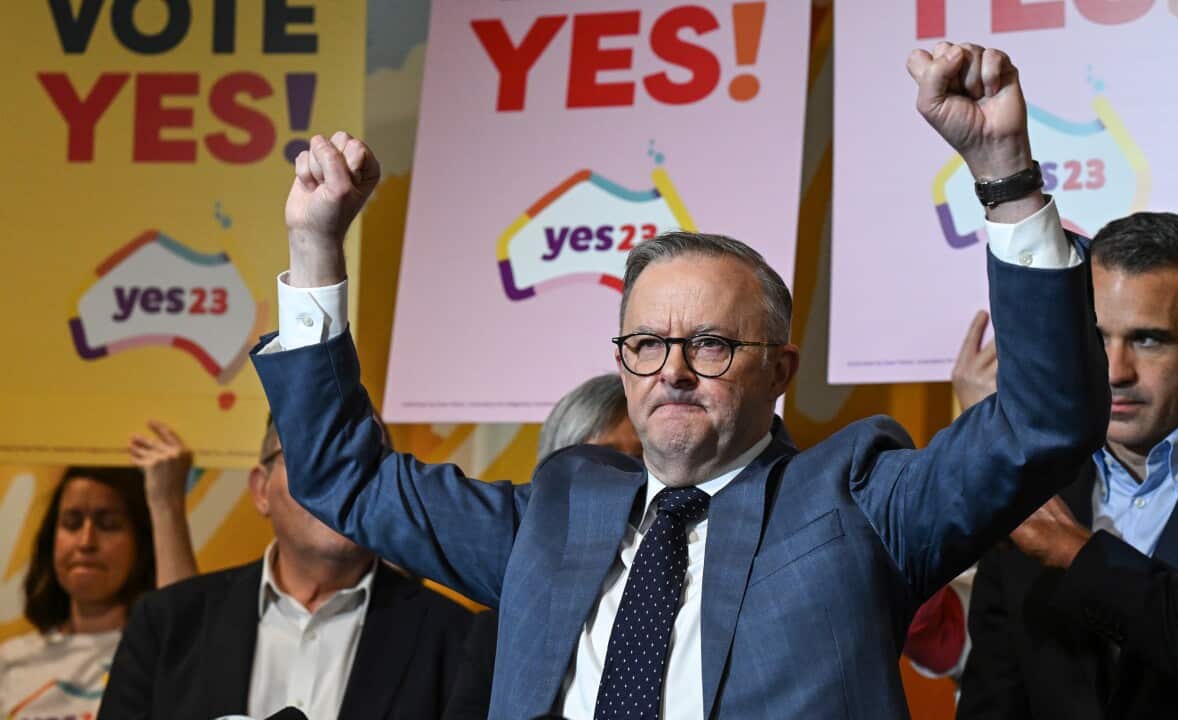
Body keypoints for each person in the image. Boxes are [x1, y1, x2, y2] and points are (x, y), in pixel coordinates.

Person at [250, 42, 1108, 719]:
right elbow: (340, 476)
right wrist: (314, 247)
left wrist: (1004, 172)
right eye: (646, 344)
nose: (674, 372)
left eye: (711, 345)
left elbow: (1043, 422)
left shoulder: (857, 505)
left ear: (780, 371)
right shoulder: (553, 518)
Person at [956, 213, 1178, 718]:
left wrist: (1080, 555)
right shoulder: (1036, 486)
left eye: (1148, 340)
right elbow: (994, 698)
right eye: (1096, 337)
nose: (1115, 371)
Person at [99, 414, 473, 720]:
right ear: (261, 490)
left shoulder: (453, 637)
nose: (340, 482)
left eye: (364, 461)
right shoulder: (167, 622)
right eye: (312, 457)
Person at [447, 374, 643, 720]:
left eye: (644, 460)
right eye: (609, 461)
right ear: (555, 482)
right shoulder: (502, 632)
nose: (634, 480)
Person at [0, 421, 199, 719]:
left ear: (142, 543)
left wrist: (166, 502)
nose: (86, 541)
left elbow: (188, 648)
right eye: (71, 523)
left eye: (108, 525)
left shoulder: (154, 652)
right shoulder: (11, 660)